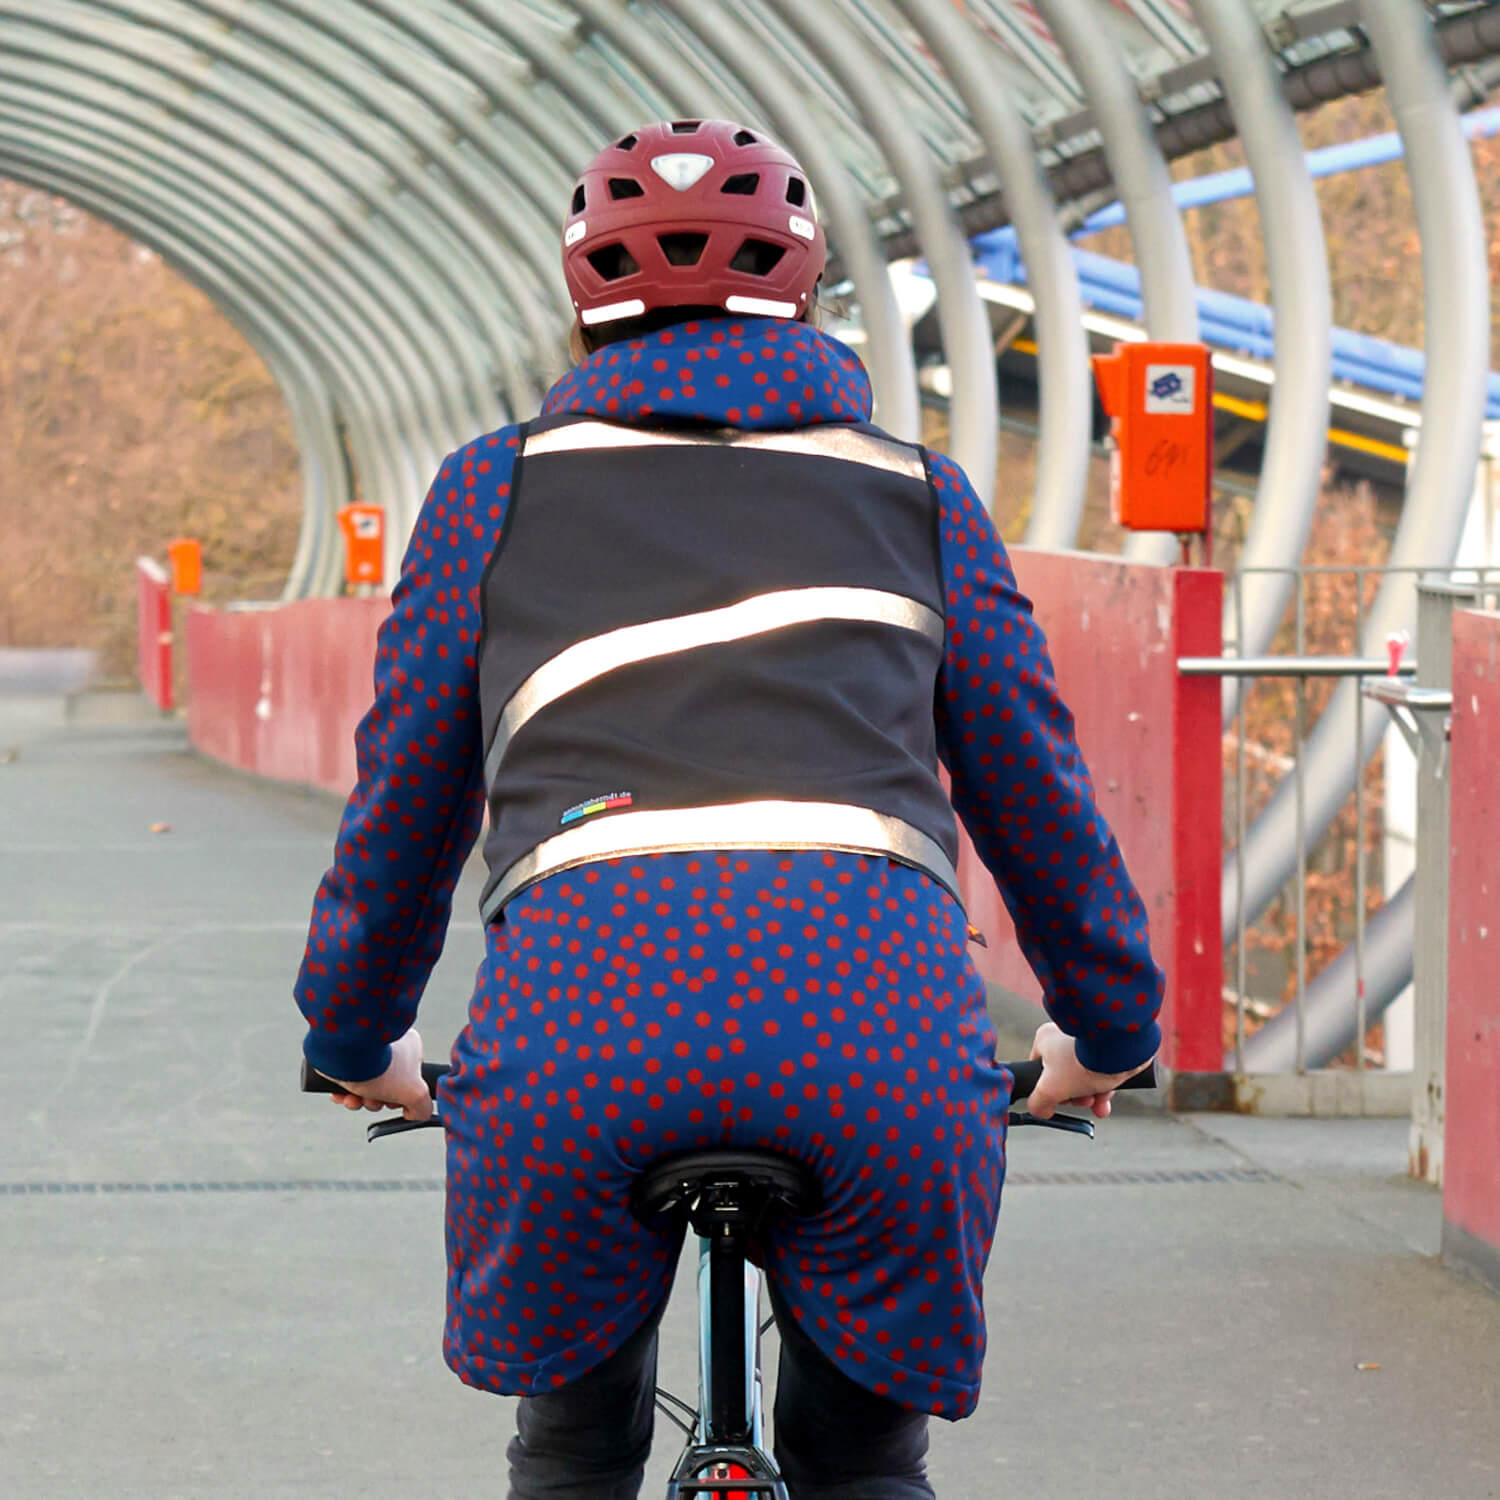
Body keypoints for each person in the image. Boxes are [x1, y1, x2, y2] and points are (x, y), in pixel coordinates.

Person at [295, 118, 1163, 1500]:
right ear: (806, 287)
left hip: (579, 1042)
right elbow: (1033, 787)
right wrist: (1108, 1030)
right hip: (879, 1043)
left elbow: (407, 790)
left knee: (572, 1449)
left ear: (582, 297)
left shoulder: (492, 489)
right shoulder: (918, 493)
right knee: (867, 1458)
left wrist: (355, 1031)